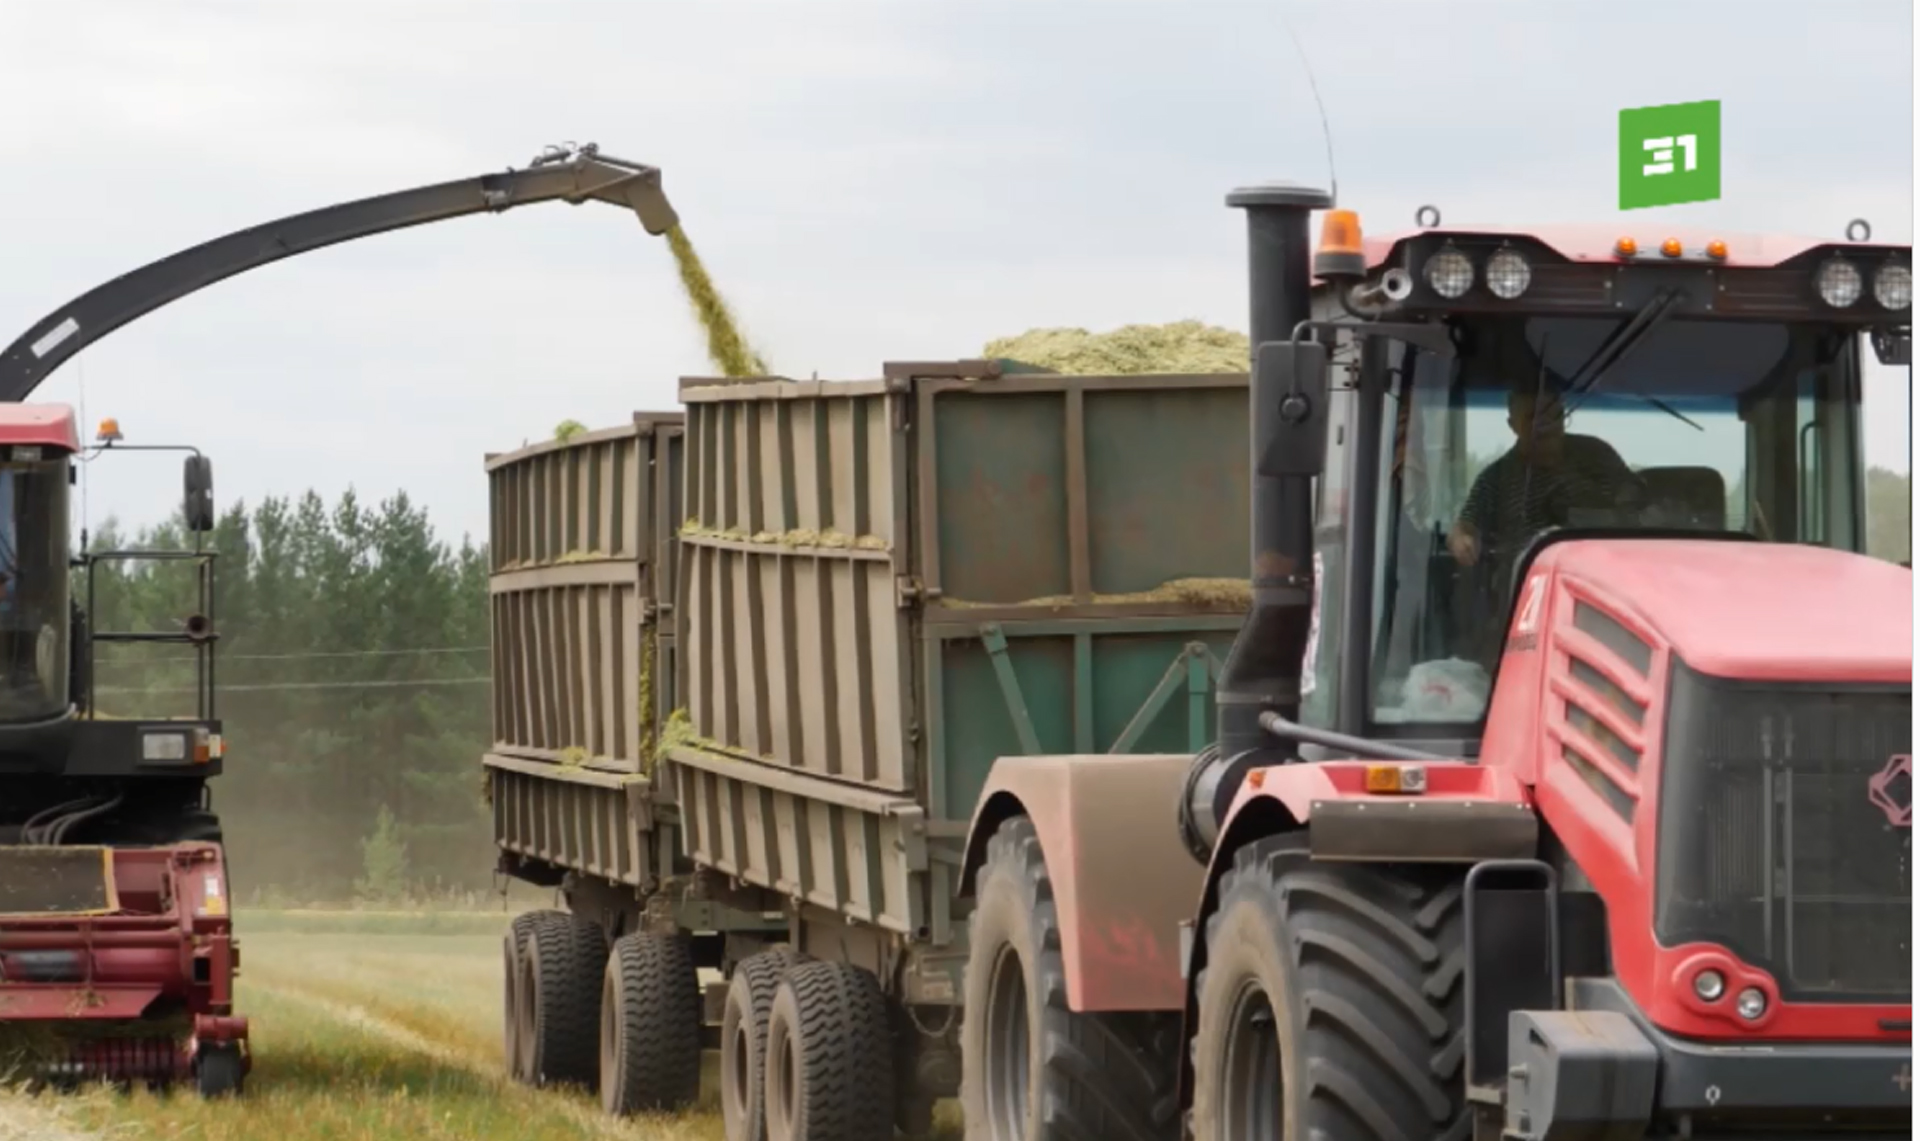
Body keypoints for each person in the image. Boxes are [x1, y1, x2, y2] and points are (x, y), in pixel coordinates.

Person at [1446, 385, 1640, 570]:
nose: (1547, 425)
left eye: (1553, 415)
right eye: (1534, 418)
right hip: (1534, 583)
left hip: (1608, 572)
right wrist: (1462, 540)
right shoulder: (1496, 478)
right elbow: (1464, 528)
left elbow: (1640, 504)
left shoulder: (1598, 455)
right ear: (1513, 425)